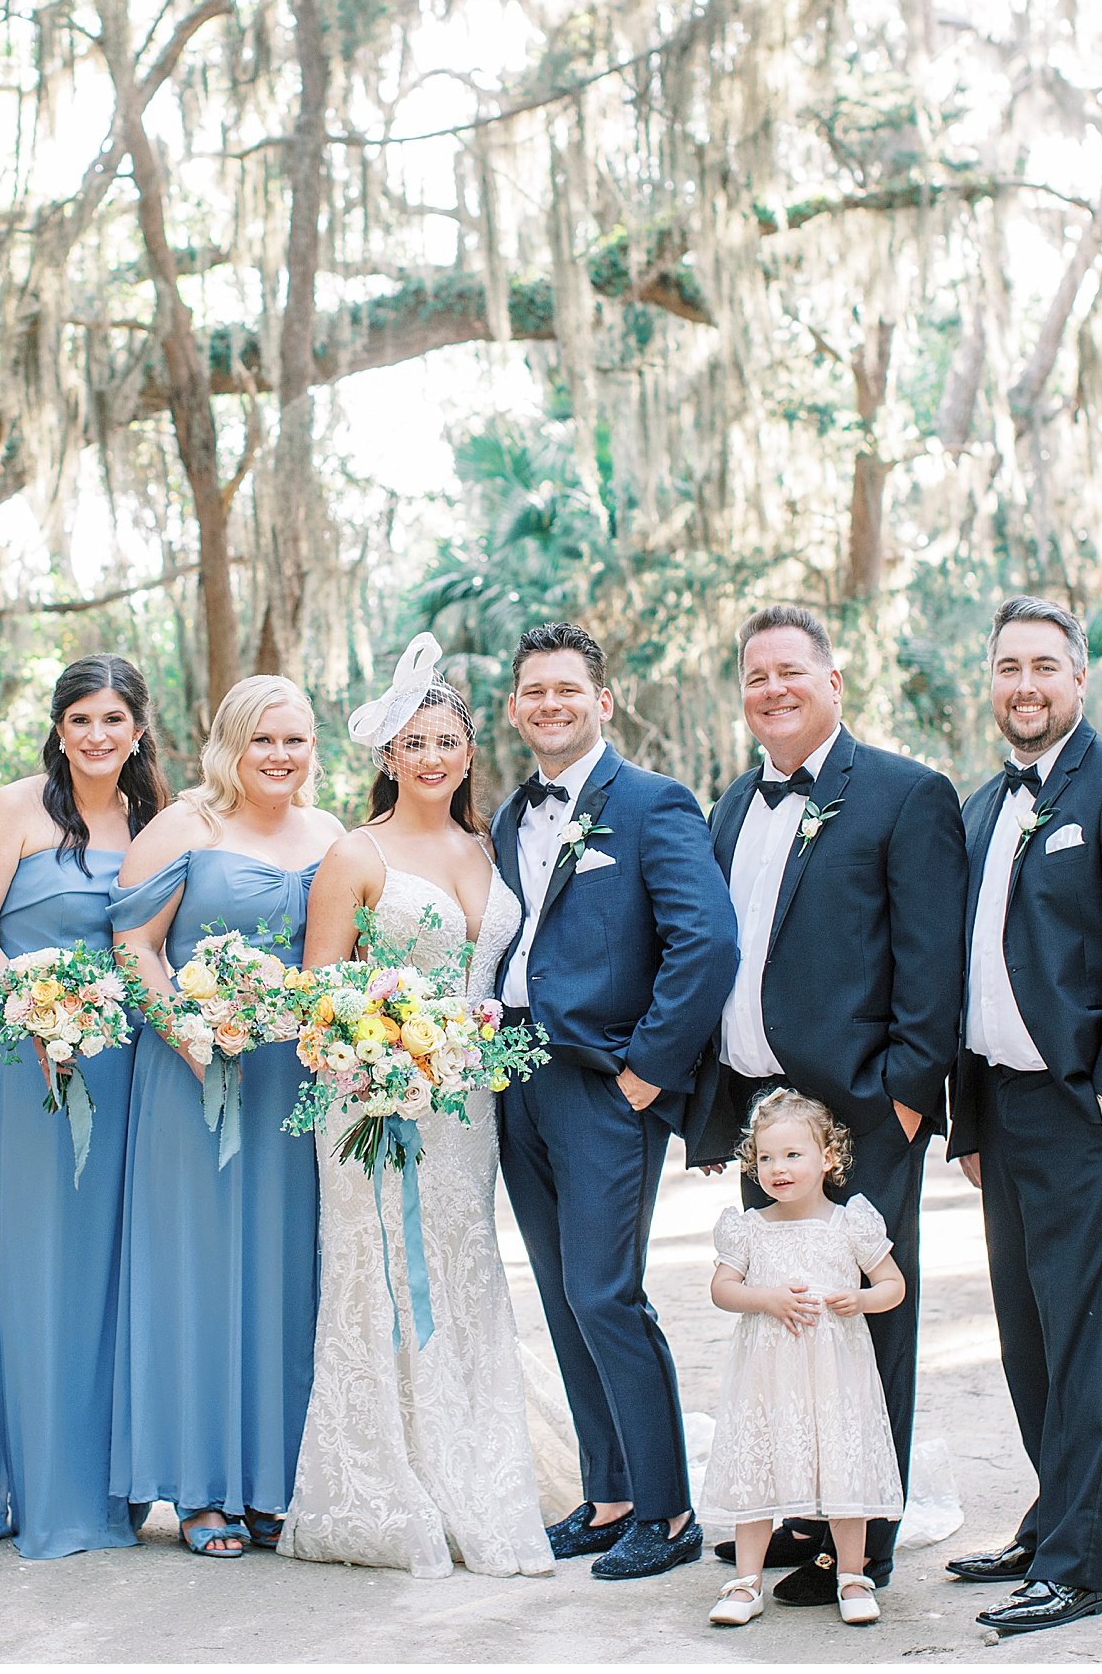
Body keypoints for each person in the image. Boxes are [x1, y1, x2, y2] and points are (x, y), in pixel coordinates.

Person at [685, 603, 964, 1604]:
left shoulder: (902, 792)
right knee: (785, 1327)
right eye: (755, 673)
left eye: (790, 669)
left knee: (862, 1320)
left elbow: (934, 965)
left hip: (859, 1113)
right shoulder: (727, 804)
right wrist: (725, 1112)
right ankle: (799, 1516)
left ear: (832, 681)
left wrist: (902, 1098)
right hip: (769, 1118)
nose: (772, 687)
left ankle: (862, 1547)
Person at [943, 596, 1102, 1637]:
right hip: (1001, 1106)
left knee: (1081, 1332)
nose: (1025, 684)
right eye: (1008, 666)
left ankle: (1082, 1564)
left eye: (1045, 665)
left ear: (1079, 679)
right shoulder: (975, 806)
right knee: (1026, 1331)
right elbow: (960, 970)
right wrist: (965, 1118)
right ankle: (1054, 1514)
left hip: (1086, 1104)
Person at [282, 636, 553, 1579]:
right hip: (374, 1107)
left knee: (465, 1271)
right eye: (413, 742)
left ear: (470, 751)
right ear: (387, 757)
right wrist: (379, 1055)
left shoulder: (491, 847)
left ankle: (475, 1466)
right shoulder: (355, 854)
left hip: (470, 1106)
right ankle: (387, 1481)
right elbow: (318, 991)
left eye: (447, 740)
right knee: (381, 1279)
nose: (432, 757)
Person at [490, 621, 740, 1580]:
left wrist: (650, 1069)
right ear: (516, 709)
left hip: (605, 1087)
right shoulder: (511, 817)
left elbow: (706, 942)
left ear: (603, 700)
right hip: (517, 1079)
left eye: (567, 689)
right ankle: (610, 1494)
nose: (549, 705)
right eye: (533, 692)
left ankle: (669, 1513)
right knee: (561, 1297)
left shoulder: (651, 804)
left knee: (607, 1293)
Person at [108, 674, 342, 1559]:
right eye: (263, 741)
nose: (281, 757)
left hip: (297, 1082)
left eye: (297, 740)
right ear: (229, 746)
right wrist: (185, 1030)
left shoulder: (331, 834)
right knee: (200, 1275)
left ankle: (274, 1482)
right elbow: (133, 942)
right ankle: (203, 1490)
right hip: (193, 1078)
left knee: (286, 1278)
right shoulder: (186, 826)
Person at [0, 654, 166, 1558]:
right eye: (82, 720)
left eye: (114, 719)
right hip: (28, 1061)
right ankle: (38, 1488)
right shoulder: (13, 808)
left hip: (127, 1068)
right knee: (34, 1267)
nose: (98, 736)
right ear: (59, 727)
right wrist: (31, 1004)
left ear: (140, 728)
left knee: (114, 1268)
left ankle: (111, 1488)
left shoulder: (160, 818)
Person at [699, 1090, 907, 1630]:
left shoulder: (850, 1223)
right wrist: (766, 1298)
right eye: (765, 1157)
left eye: (793, 1155)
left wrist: (860, 1299)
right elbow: (722, 1289)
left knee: (841, 1464)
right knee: (758, 1465)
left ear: (828, 1158)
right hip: (767, 1376)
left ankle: (852, 1575)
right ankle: (746, 1583)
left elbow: (893, 1285)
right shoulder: (748, 1227)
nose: (777, 1168)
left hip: (834, 1374)